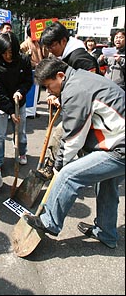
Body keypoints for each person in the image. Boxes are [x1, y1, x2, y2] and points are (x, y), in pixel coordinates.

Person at [24, 56, 125, 249]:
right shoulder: (80, 78)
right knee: (107, 186)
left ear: (60, 75)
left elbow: (73, 138)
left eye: (49, 86)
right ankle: (107, 233)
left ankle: (49, 222)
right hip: (118, 140)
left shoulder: (75, 89)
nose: (48, 92)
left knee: (69, 175)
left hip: (120, 146)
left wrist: (59, 166)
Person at [38, 21, 101, 181]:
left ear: (63, 41)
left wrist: (64, 99)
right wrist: (56, 95)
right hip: (80, 110)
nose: (50, 50)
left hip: (90, 111)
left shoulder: (81, 59)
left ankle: (54, 170)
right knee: (77, 143)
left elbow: (88, 90)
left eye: (52, 46)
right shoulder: (65, 56)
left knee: (62, 136)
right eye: (48, 47)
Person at [0, 32, 33, 188]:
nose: (7, 56)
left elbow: (28, 81)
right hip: (2, 105)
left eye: (10, 52)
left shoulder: (23, 60)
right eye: (4, 52)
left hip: (20, 101)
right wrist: (11, 110)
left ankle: (21, 152)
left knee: (21, 131)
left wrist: (20, 91)